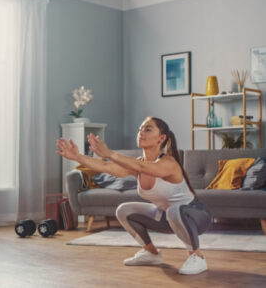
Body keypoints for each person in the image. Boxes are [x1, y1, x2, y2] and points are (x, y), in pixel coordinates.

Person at [56, 116, 211, 275]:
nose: (141, 132)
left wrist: (109, 152)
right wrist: (77, 157)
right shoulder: (137, 164)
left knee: (174, 209)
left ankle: (197, 256)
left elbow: (141, 166)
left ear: (161, 138)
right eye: (140, 129)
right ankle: (151, 253)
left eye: (148, 129)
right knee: (124, 210)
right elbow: (105, 166)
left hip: (195, 216)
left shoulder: (168, 163)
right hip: (167, 218)